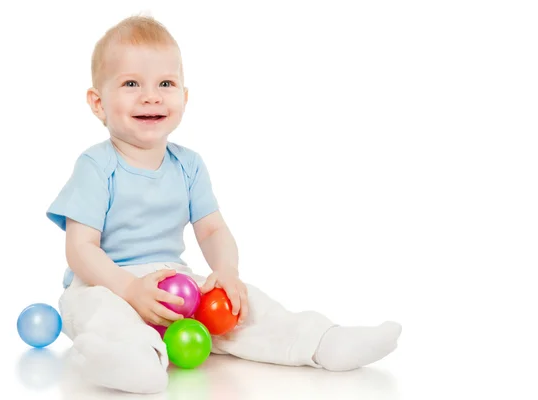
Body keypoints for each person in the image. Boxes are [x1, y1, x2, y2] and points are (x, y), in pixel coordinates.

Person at [46, 14, 402, 394]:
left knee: (243, 307)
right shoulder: (96, 166)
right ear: (98, 103)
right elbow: (80, 248)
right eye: (131, 83)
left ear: (184, 97)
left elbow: (212, 229)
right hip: (106, 281)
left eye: (166, 83)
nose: (151, 95)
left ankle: (320, 342)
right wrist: (129, 289)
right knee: (102, 314)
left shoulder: (189, 165)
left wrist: (228, 272)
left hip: (172, 283)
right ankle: (126, 361)